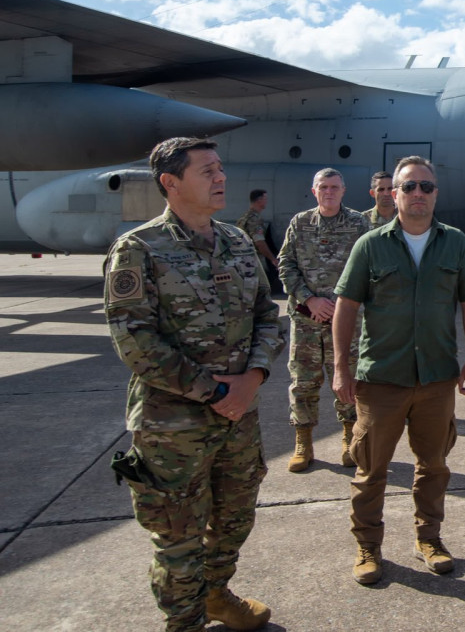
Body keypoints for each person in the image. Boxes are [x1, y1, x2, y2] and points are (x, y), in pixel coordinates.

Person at [103, 137, 282, 632]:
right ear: (171, 182)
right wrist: (217, 391)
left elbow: (268, 315)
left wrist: (254, 376)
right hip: (172, 427)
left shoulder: (238, 241)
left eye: (221, 168)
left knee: (234, 520)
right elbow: (135, 343)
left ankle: (218, 596)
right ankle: (183, 623)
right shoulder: (138, 250)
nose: (221, 177)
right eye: (207, 171)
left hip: (238, 420)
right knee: (178, 539)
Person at [332, 156, 465, 584]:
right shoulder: (370, 244)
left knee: (433, 466)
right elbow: (346, 307)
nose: (418, 193)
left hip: (437, 377)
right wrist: (340, 369)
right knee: (370, 470)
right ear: (393, 194)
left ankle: (429, 539)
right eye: (409, 187)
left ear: (436, 193)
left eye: (426, 186)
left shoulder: (455, 242)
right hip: (381, 377)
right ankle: (368, 547)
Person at [278, 168, 369, 472]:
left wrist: (342, 304)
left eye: (334, 187)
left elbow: (369, 265)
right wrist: (310, 299)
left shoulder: (358, 223)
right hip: (306, 319)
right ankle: (303, 442)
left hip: (345, 320)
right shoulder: (299, 223)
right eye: (323, 187)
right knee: (303, 381)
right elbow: (286, 264)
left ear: (343, 190)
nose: (328, 192)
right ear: (313, 191)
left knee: (347, 379)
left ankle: (349, 437)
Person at [235, 189, 279, 273]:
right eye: (265, 199)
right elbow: (259, 243)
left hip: (241, 259)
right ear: (259, 200)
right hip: (253, 261)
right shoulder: (254, 219)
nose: (266, 201)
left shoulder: (244, 217)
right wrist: (273, 259)